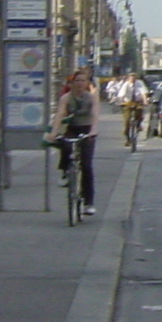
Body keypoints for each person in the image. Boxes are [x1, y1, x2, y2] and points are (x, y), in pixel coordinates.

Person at [53, 69, 100, 217]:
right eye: (77, 81)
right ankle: (66, 172)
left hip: (87, 129)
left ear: (87, 83)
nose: (79, 83)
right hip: (71, 128)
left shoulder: (91, 98)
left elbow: (95, 114)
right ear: (72, 83)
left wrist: (93, 131)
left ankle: (88, 203)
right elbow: (60, 114)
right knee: (65, 144)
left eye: (82, 81)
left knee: (86, 166)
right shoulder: (66, 98)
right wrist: (54, 132)